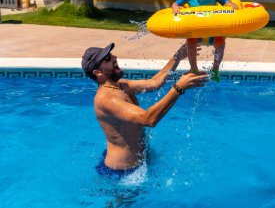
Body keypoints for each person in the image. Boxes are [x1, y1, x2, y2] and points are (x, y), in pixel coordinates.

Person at [81, 42, 209, 179]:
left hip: (139, 159)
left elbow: (154, 83)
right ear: (97, 72)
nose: (114, 57)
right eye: (107, 59)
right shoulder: (107, 99)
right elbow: (148, 119)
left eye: (111, 55)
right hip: (123, 172)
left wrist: (178, 56)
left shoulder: (121, 85)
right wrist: (178, 88)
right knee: (123, 201)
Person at [172, 0, 237, 82]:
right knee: (190, 43)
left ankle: (215, 69)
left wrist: (229, 4)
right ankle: (194, 68)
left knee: (220, 44)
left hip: (213, 28)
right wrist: (175, 7)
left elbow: (224, 0)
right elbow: (175, 3)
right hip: (196, 30)